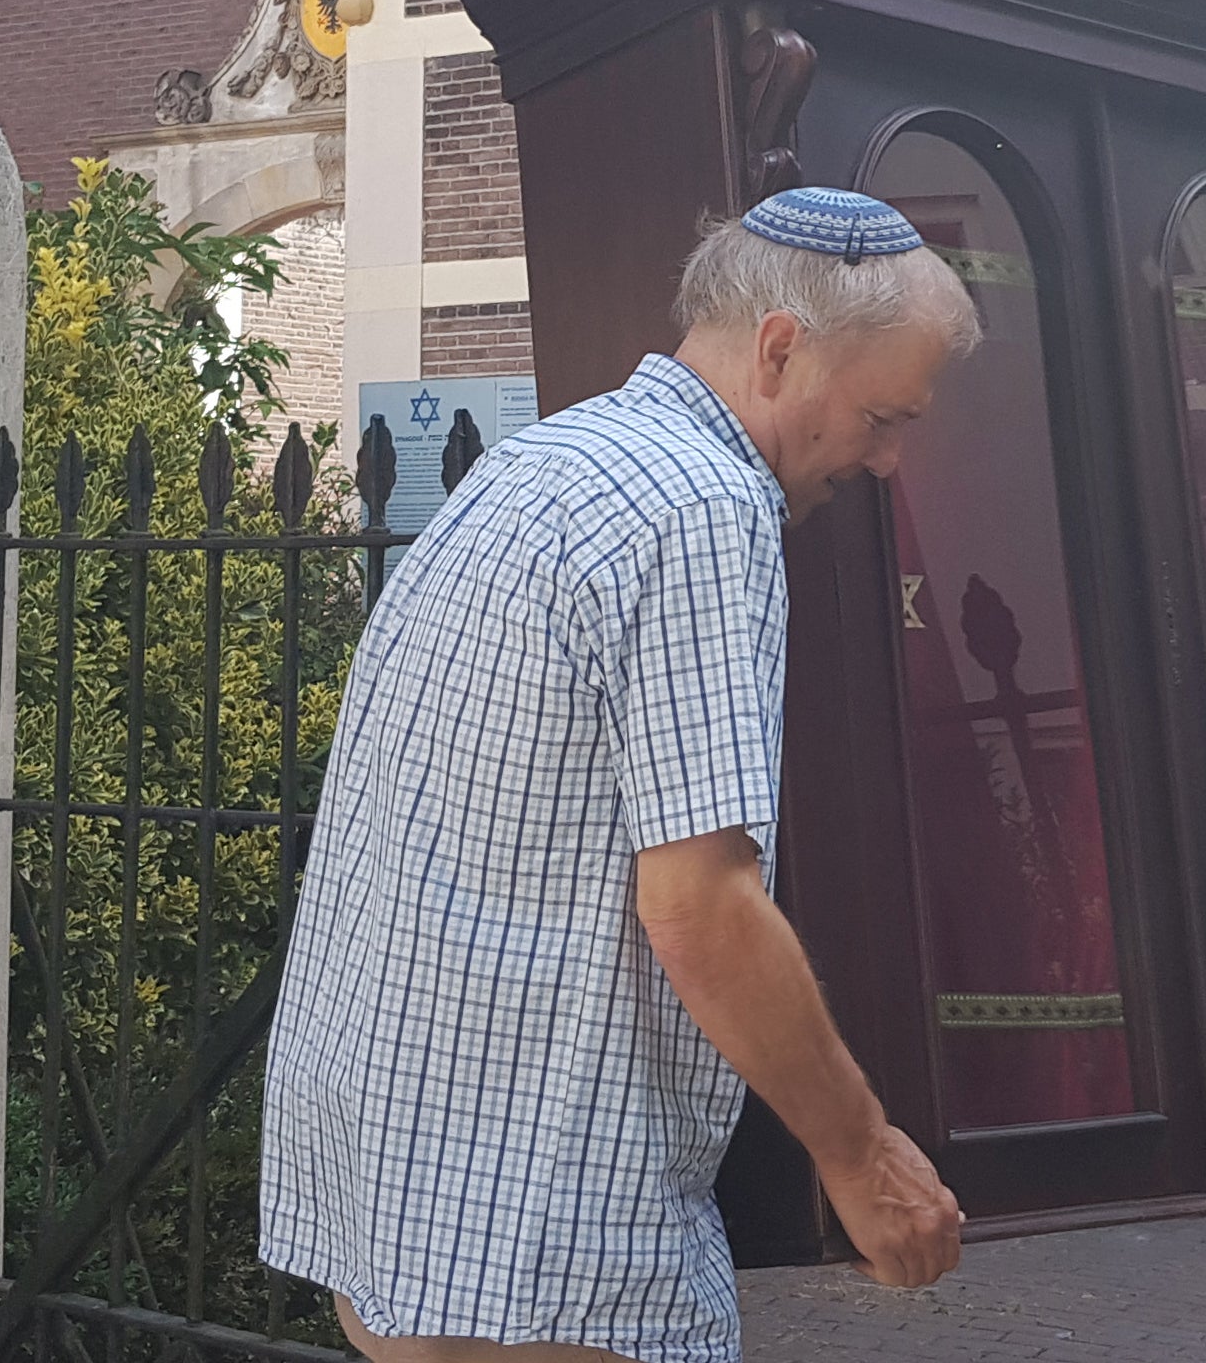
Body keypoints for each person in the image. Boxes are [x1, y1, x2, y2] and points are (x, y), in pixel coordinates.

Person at [261, 187, 979, 1363]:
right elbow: (701, 903)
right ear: (782, 348)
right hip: (547, 1231)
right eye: (881, 414)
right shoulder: (704, 507)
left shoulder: (542, 460)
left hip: (393, 1193)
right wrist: (863, 1155)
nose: (891, 459)